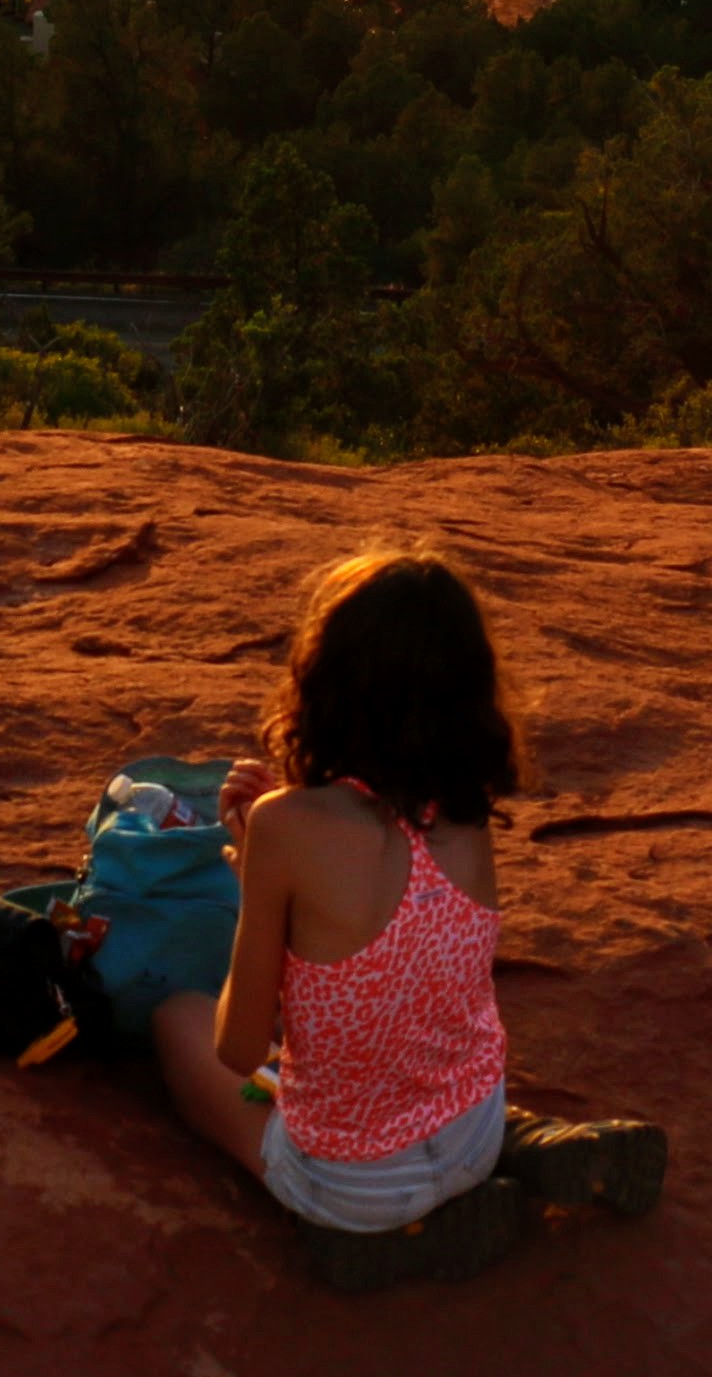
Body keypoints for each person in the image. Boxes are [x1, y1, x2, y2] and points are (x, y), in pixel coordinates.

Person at [153, 547, 668, 1289]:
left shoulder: (285, 825)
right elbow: (404, 961)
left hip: (353, 1186)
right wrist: (265, 855)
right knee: (423, 1053)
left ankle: (365, 1243)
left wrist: (258, 873)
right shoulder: (465, 817)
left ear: (324, 682)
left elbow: (240, 1045)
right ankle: (528, 1143)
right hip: (471, 1128)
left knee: (178, 1023)